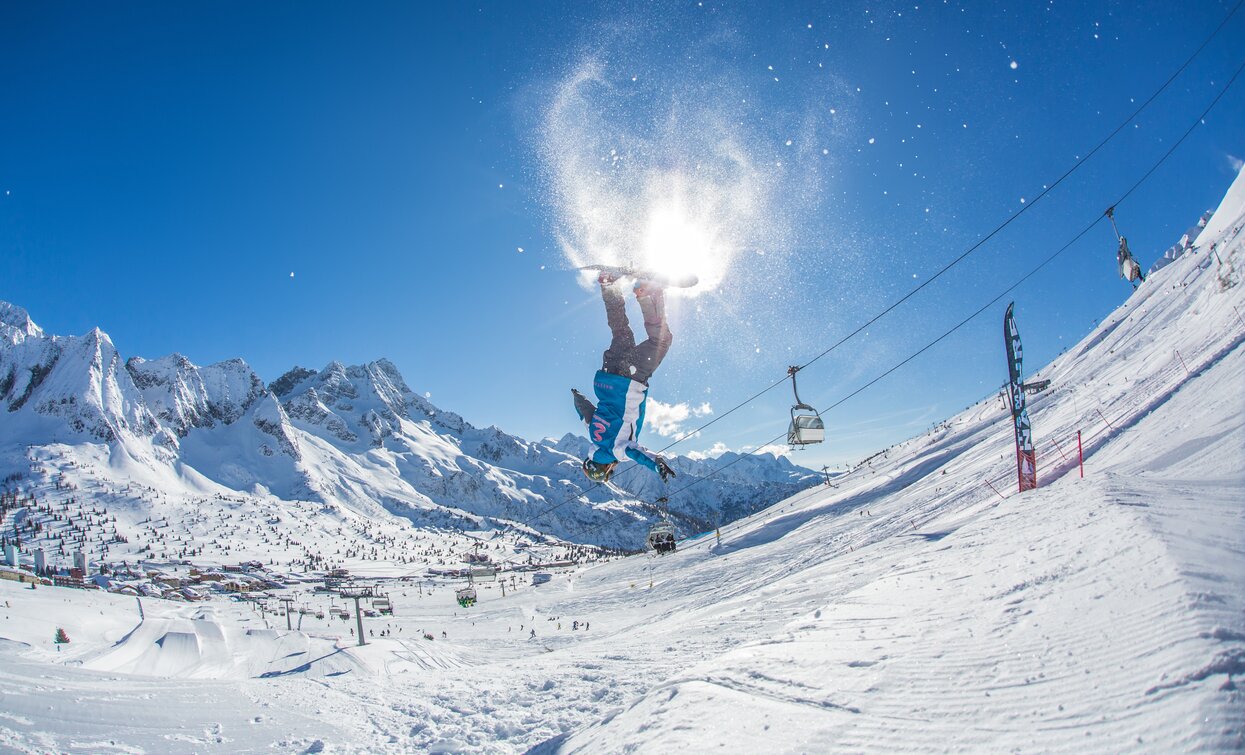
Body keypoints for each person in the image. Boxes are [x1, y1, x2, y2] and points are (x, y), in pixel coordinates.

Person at [573, 271, 678, 483]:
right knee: (621, 333)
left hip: (628, 382)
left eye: (610, 472)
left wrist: (656, 464)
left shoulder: (616, 452)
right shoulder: (594, 435)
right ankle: (608, 284)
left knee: (662, 341)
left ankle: (647, 292)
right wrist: (576, 396)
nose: (614, 469)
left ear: (607, 467)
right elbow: (585, 411)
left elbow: (637, 454)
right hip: (606, 377)